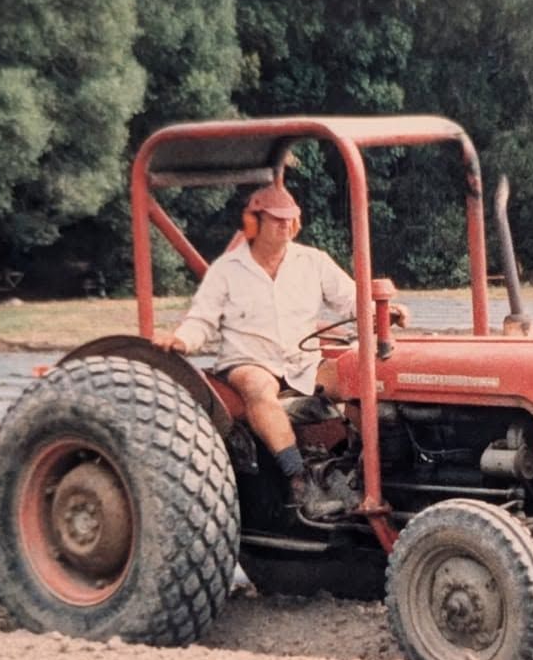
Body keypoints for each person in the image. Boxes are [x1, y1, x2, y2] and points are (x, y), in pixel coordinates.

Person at [152, 182, 405, 518]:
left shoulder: (313, 261)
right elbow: (202, 319)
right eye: (277, 220)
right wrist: (182, 339)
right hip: (249, 361)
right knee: (258, 388)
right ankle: (300, 479)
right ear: (254, 222)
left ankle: (367, 469)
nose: (286, 226)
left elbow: (351, 300)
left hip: (303, 361)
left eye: (291, 220)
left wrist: (382, 313)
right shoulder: (228, 271)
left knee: (360, 377)